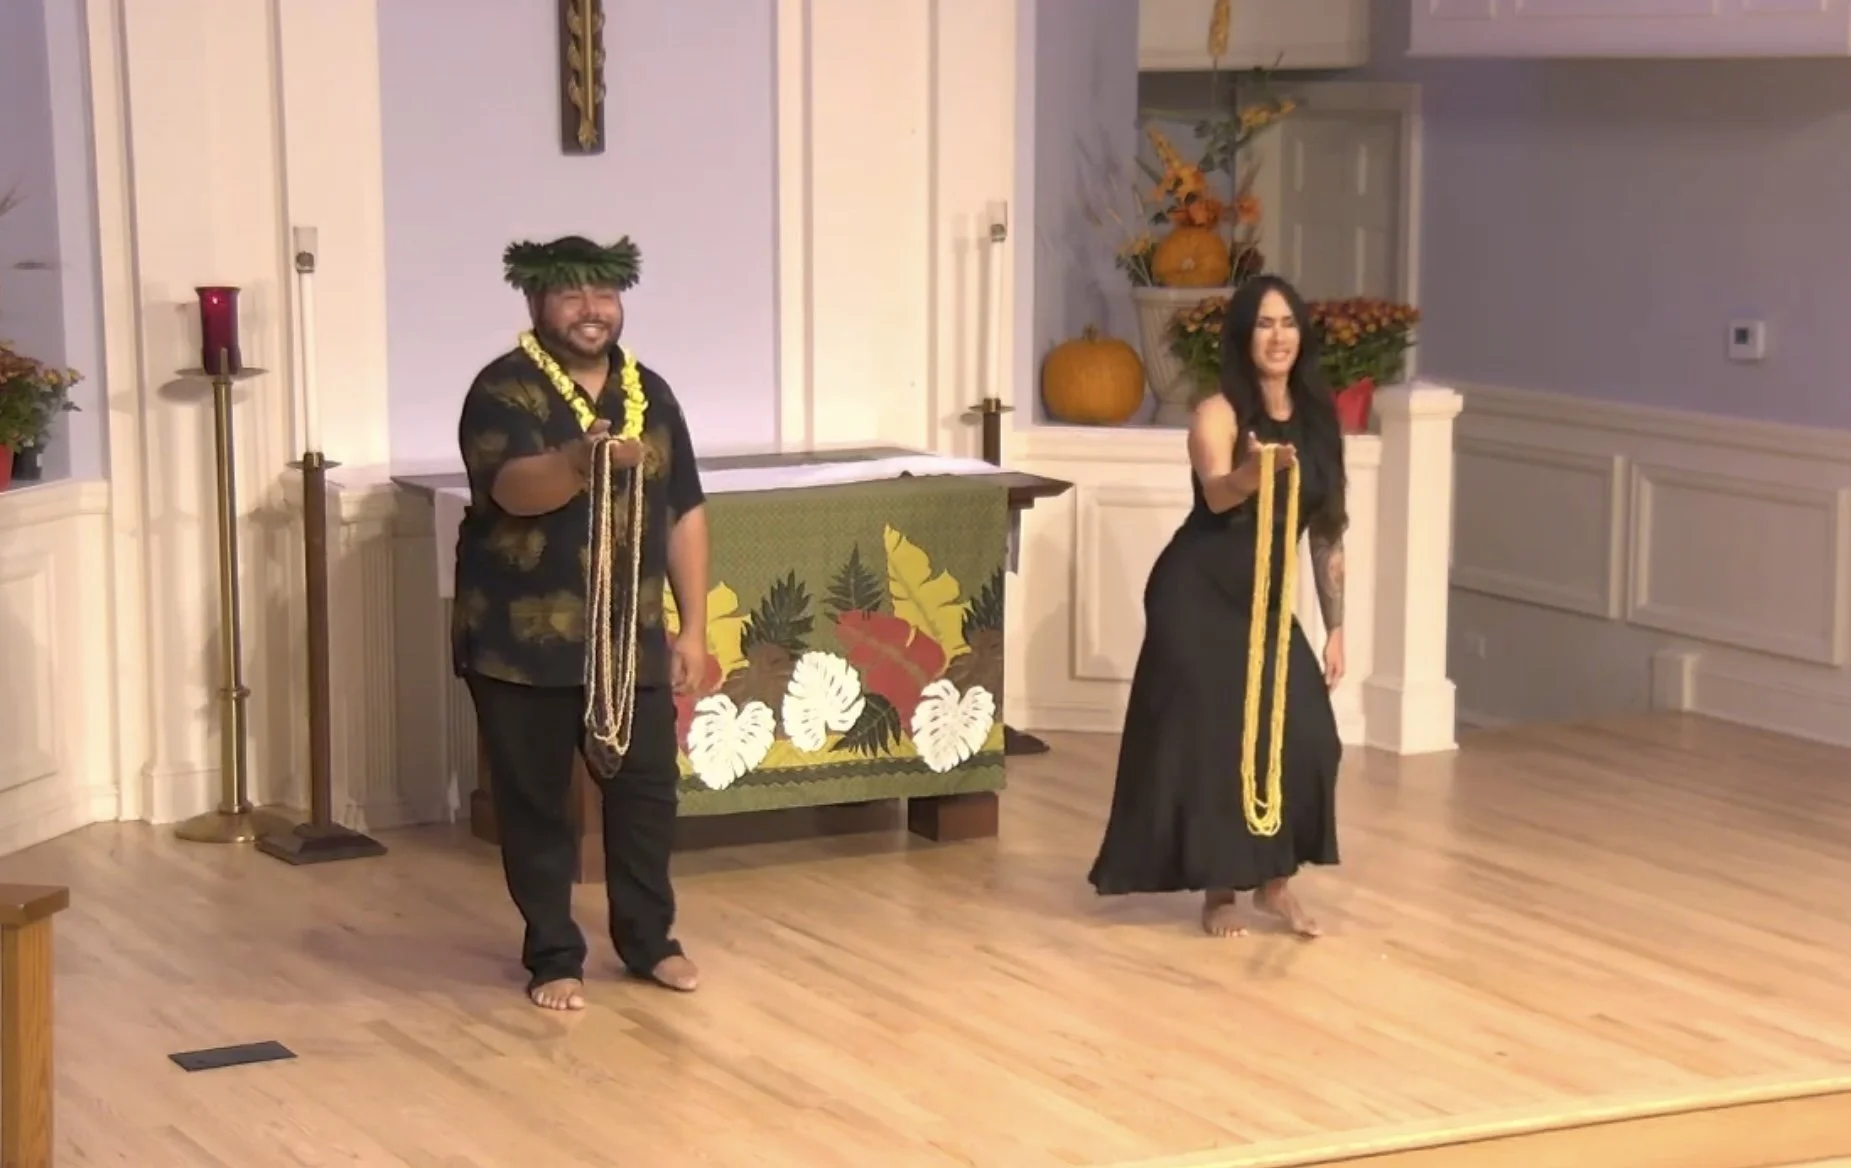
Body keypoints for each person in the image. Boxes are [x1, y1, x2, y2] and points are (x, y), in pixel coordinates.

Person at [452, 235, 710, 1008]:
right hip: (520, 644)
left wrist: (692, 627)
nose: (591, 310)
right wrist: (578, 460)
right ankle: (554, 954)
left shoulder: (649, 393)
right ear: (537, 302)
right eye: (571, 295)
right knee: (535, 803)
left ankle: (649, 941)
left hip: (629, 640)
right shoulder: (502, 389)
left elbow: (684, 510)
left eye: (603, 294)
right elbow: (512, 490)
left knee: (647, 795)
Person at [1087, 274, 1347, 939]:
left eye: (1287, 323)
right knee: (1214, 740)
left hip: (1264, 602)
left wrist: (1336, 626)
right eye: (1263, 323)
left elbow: (1325, 530)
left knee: (1310, 735)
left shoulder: (1319, 422)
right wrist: (1248, 475)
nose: (1277, 337)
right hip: (1197, 593)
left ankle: (1274, 883)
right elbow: (1216, 492)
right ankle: (1220, 891)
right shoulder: (1219, 412)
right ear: (1242, 336)